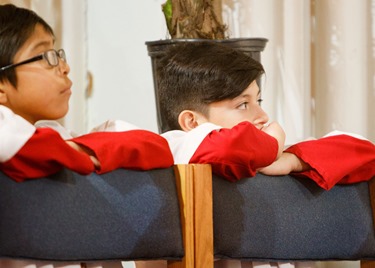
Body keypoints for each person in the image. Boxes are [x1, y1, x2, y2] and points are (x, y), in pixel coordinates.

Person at [156, 41, 375, 268]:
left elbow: (365, 152)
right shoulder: (176, 146)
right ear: (192, 121)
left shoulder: (278, 154)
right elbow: (231, 147)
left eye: (258, 101)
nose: (262, 115)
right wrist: (273, 141)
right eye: (243, 105)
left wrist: (293, 161)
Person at [0, 4, 173, 268]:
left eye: (58, 53)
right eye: (45, 56)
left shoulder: (55, 133)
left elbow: (156, 146)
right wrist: (79, 153)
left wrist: (79, 149)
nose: (65, 67)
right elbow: (29, 150)